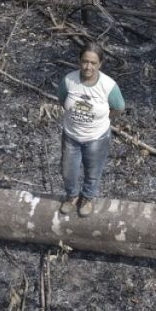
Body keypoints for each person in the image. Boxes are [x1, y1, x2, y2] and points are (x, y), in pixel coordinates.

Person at [57, 42, 125, 217]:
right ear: (80, 61)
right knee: (68, 171)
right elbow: (62, 99)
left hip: (97, 138)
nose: (88, 67)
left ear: (100, 64)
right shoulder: (69, 80)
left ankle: (87, 198)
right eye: (85, 61)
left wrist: (102, 118)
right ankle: (72, 196)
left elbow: (118, 107)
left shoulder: (108, 86)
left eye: (93, 63)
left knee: (93, 171)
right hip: (71, 136)